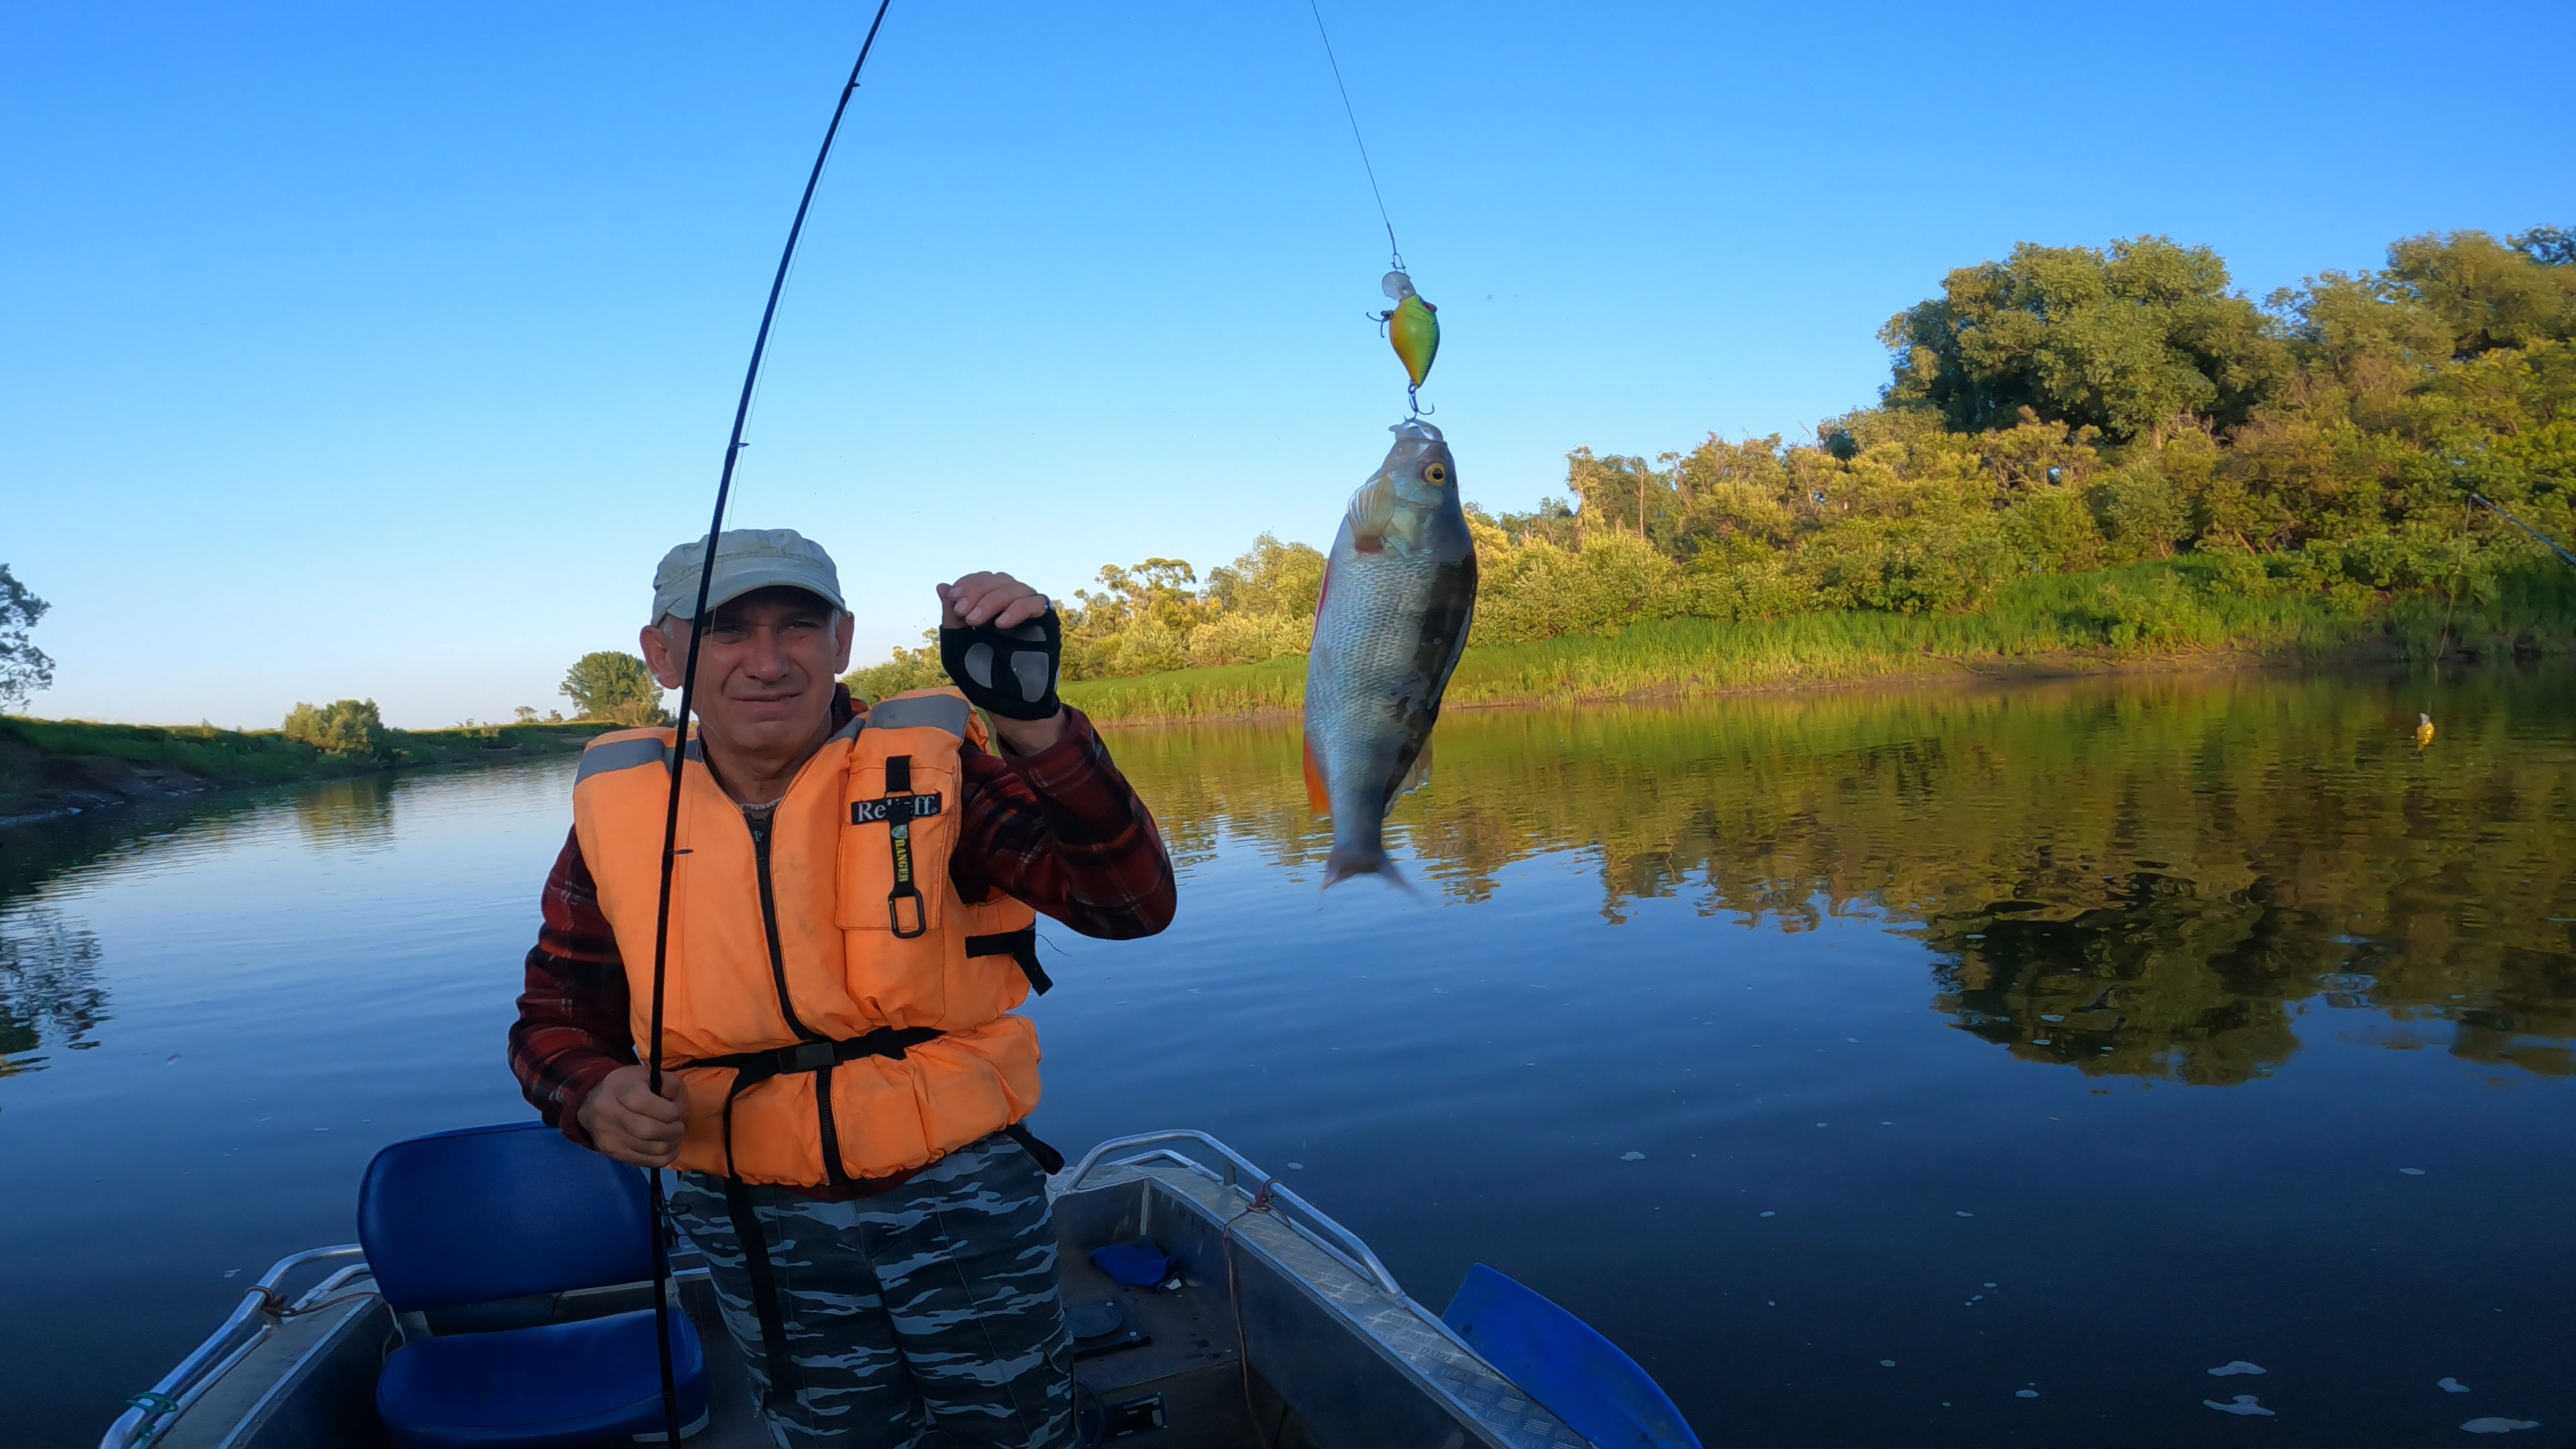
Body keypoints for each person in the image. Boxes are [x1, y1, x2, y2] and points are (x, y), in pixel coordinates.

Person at [508, 528, 1175, 1448]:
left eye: (798, 627)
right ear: (663, 654)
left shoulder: (936, 771)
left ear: (843, 641)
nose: (769, 661)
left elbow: (1130, 904)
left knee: (1018, 1431)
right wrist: (592, 1092)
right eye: (726, 631)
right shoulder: (621, 818)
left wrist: (1034, 723)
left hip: (959, 1197)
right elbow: (553, 1021)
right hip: (753, 1220)